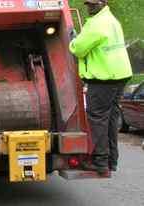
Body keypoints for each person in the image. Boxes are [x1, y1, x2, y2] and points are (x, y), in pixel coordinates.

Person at [69, 0, 133, 174]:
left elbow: (77, 49)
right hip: (120, 75)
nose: (89, 7)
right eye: (88, 4)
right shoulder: (112, 20)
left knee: (97, 118)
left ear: (103, 3)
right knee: (111, 118)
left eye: (92, 4)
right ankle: (111, 161)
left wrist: (72, 38)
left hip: (104, 77)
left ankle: (100, 162)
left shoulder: (96, 24)